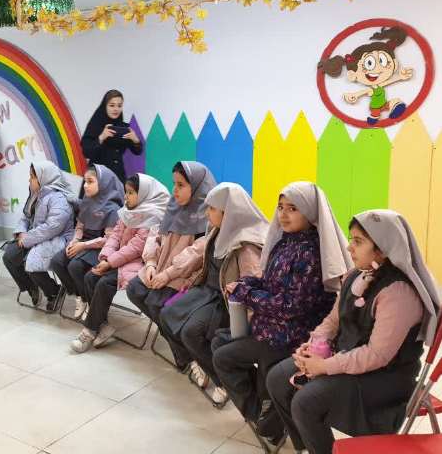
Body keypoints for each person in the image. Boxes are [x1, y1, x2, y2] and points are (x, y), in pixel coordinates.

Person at [266, 210, 439, 454]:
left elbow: (376, 355)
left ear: (382, 249)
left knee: (307, 402)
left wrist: (324, 366)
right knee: (277, 378)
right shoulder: (355, 275)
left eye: (358, 241)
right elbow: (333, 320)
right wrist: (314, 345)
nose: (349, 248)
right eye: (351, 239)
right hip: (349, 358)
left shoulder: (398, 293)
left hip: (385, 377)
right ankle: (310, 445)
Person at [211, 182, 352, 448]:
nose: (283, 215)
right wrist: (247, 284)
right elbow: (270, 282)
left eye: (293, 209)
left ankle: (265, 420)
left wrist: (247, 294)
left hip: (293, 336)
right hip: (272, 328)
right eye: (280, 207)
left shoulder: (311, 253)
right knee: (219, 341)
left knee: (223, 357)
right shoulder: (286, 241)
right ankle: (266, 418)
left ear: (310, 212)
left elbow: (291, 307)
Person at [159, 182, 268, 407]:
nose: (207, 213)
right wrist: (173, 275)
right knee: (167, 313)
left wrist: (249, 326)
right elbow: (198, 257)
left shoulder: (246, 245)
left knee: (191, 332)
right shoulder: (218, 231)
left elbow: (254, 286)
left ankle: (222, 380)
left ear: (228, 213)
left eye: (212, 209)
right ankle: (199, 362)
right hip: (206, 291)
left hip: (226, 302)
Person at [70, 173, 169, 353]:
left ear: (143, 194)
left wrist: (110, 263)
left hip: (140, 264)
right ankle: (102, 325)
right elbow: (115, 236)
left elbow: (136, 248)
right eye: (126, 192)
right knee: (90, 277)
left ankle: (89, 331)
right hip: (119, 260)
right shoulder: (128, 211)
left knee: (105, 282)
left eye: (130, 193)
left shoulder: (153, 215)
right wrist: (105, 258)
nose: (126, 196)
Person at [126, 161, 216, 325]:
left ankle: (170, 333)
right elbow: (155, 235)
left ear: (197, 187)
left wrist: (167, 274)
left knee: (157, 304)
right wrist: (151, 263)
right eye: (174, 183)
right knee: (134, 289)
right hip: (159, 267)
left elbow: (195, 255)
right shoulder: (173, 206)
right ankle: (167, 329)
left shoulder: (208, 217)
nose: (174, 189)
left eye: (181, 185)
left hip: (182, 276)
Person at [50, 164, 124, 319]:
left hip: (101, 248)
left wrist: (83, 245)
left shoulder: (112, 208)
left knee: (75, 266)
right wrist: (75, 240)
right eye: (85, 181)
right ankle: (80, 295)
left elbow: (109, 240)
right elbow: (80, 225)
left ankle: (90, 301)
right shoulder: (87, 201)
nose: (85, 185)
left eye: (90, 181)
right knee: (57, 261)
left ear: (103, 183)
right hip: (83, 243)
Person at [3, 161, 76, 311]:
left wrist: (28, 238)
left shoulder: (59, 198)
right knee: (9, 256)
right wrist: (21, 232)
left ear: (44, 177)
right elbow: (25, 217)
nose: (29, 180)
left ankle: (54, 292)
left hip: (57, 240)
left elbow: (53, 227)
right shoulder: (36, 194)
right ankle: (32, 287)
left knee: (31, 261)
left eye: (32, 176)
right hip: (35, 237)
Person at [80, 89, 143, 183]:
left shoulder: (124, 127)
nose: (116, 109)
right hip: (97, 177)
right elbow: (86, 152)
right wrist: (101, 137)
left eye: (119, 105)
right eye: (112, 105)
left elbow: (137, 151)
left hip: (117, 176)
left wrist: (135, 140)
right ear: (105, 106)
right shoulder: (95, 125)